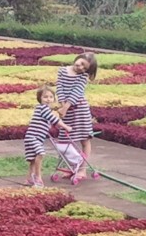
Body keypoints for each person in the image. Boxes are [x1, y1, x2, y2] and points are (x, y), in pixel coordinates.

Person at [56, 51, 97, 181]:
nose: (81, 68)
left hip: (79, 110)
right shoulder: (63, 71)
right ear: (78, 58)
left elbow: (76, 93)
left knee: (84, 139)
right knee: (66, 139)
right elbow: (60, 88)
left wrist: (65, 107)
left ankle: (82, 169)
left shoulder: (82, 77)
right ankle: (72, 167)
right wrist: (62, 106)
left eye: (85, 68)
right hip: (66, 109)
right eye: (81, 63)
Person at [24, 84, 70, 187]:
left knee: (32, 159)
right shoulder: (43, 108)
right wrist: (66, 127)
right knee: (40, 154)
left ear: (54, 98)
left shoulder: (43, 110)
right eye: (45, 97)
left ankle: (29, 179)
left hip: (33, 138)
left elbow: (50, 122)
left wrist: (58, 126)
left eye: (50, 97)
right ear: (39, 98)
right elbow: (54, 119)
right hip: (33, 137)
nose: (48, 99)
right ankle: (38, 177)